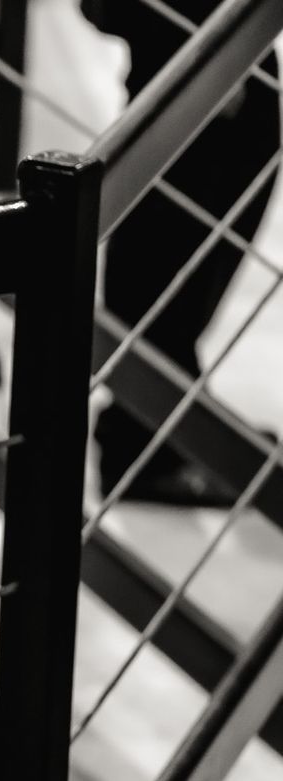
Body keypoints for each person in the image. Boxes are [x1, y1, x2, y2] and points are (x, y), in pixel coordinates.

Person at [82, 0, 281, 505]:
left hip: (217, 46)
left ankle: (173, 421)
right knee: (166, 248)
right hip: (188, 49)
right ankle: (142, 442)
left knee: (190, 253)